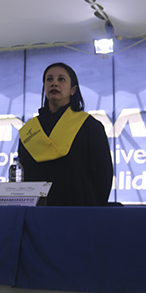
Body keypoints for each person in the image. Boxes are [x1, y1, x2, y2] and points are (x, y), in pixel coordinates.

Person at [18, 62, 113, 206]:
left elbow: (103, 175)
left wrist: (94, 210)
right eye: (49, 79)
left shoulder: (89, 126)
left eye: (61, 79)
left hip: (78, 212)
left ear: (73, 90)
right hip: (37, 214)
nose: (54, 83)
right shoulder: (30, 130)